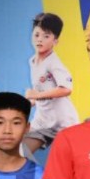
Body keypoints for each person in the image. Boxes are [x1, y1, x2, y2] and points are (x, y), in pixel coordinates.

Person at [22, 12, 77, 156]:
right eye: (37, 35)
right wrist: (30, 102)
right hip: (42, 122)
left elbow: (66, 89)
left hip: (63, 123)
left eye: (46, 36)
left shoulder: (54, 63)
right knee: (21, 152)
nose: (40, 40)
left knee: (69, 161)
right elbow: (40, 90)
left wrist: (37, 95)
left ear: (55, 41)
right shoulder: (32, 61)